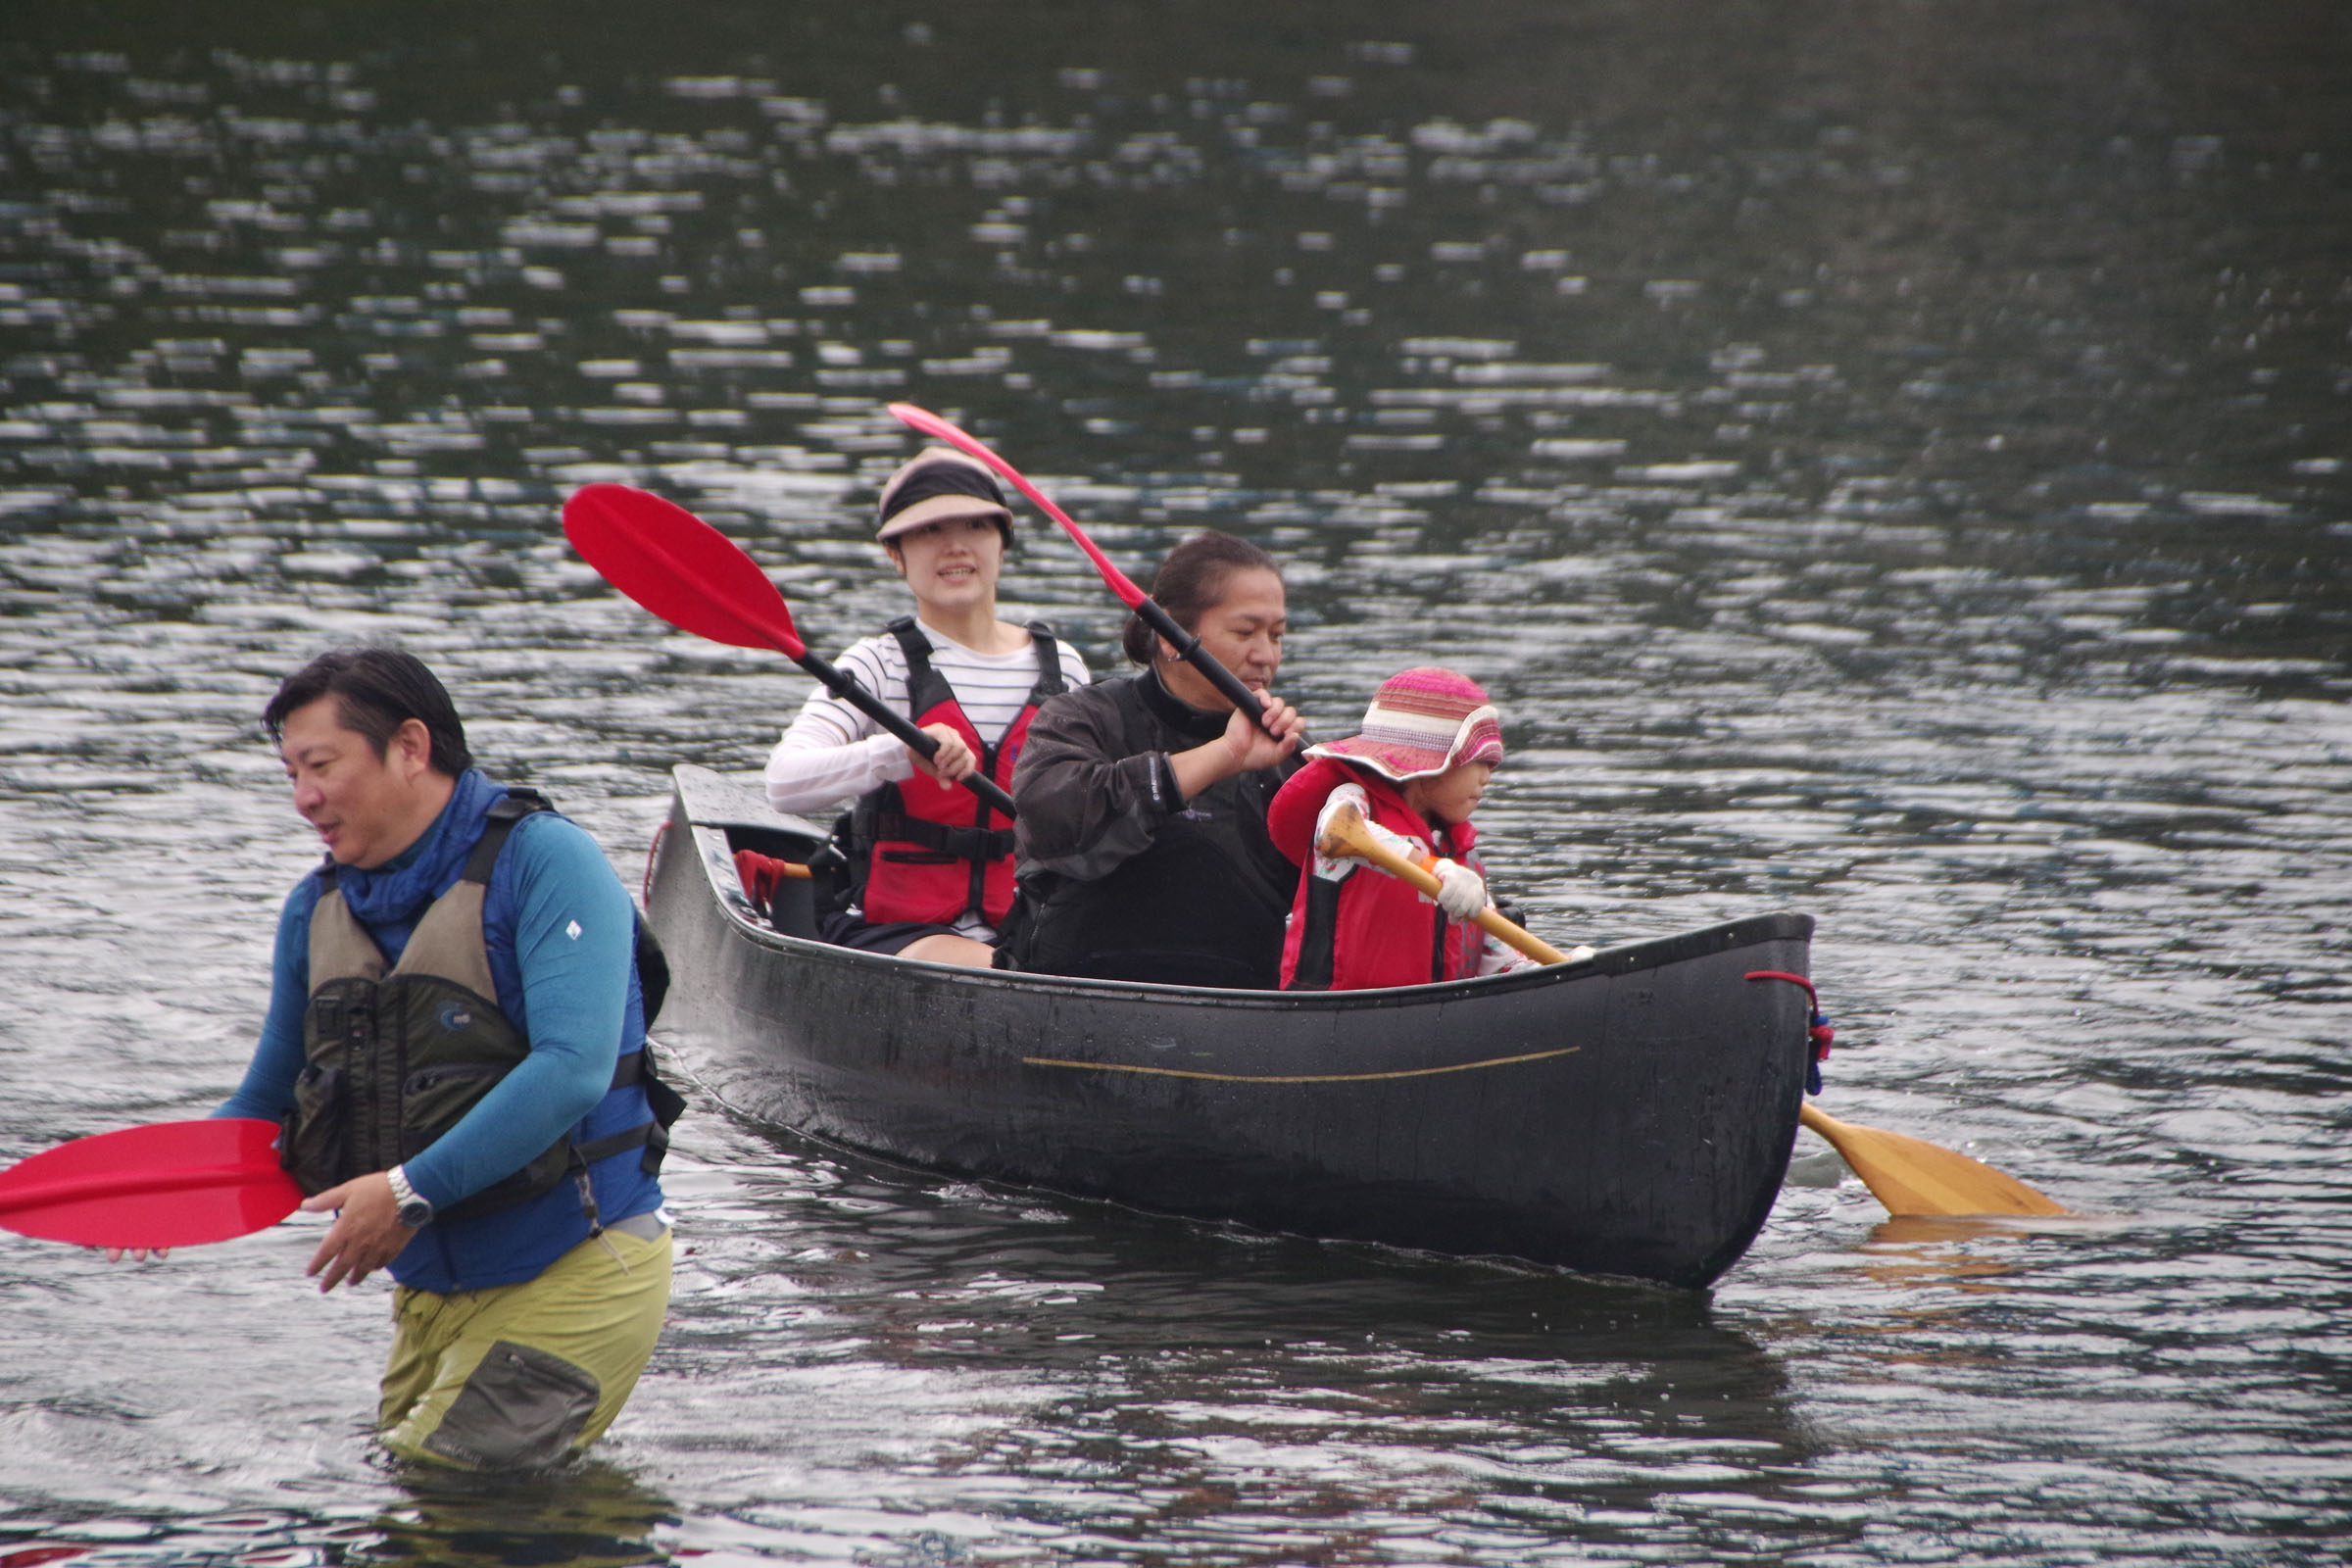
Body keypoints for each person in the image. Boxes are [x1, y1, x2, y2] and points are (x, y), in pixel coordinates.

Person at [218, 648, 677, 1471]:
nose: (304, 798)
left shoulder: (546, 861)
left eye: (321, 765)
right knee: (406, 1494)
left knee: (445, 1497)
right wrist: (155, 1196)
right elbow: (264, 1102)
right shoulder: (314, 909)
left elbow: (573, 1067)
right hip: (430, 1295)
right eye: (290, 773)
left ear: (411, 747)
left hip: (578, 1269)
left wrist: (406, 1190)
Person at [764, 447, 1090, 966]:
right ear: (897, 555)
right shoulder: (875, 665)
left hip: (1026, 925)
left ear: (1002, 543)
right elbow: (784, 783)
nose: (955, 545)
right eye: (929, 531)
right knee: (1004, 968)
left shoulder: (1063, 670)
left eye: (974, 526)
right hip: (894, 931)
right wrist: (899, 753)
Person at [1004, 530, 1307, 988]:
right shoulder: (1080, 717)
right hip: (1072, 996)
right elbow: (1052, 819)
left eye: (1277, 635)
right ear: (1171, 637)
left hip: (1242, 1016)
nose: (1265, 655)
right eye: (1245, 632)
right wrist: (1224, 755)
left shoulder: (1290, 758)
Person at [1265, 666, 1538, 990]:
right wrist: (1435, 868)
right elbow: (1336, 833)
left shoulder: (1459, 859)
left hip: (1428, 1015)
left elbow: (1500, 961)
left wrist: (1565, 975)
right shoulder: (1352, 805)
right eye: (1480, 761)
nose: (1487, 777)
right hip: (1326, 1012)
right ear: (1431, 764)